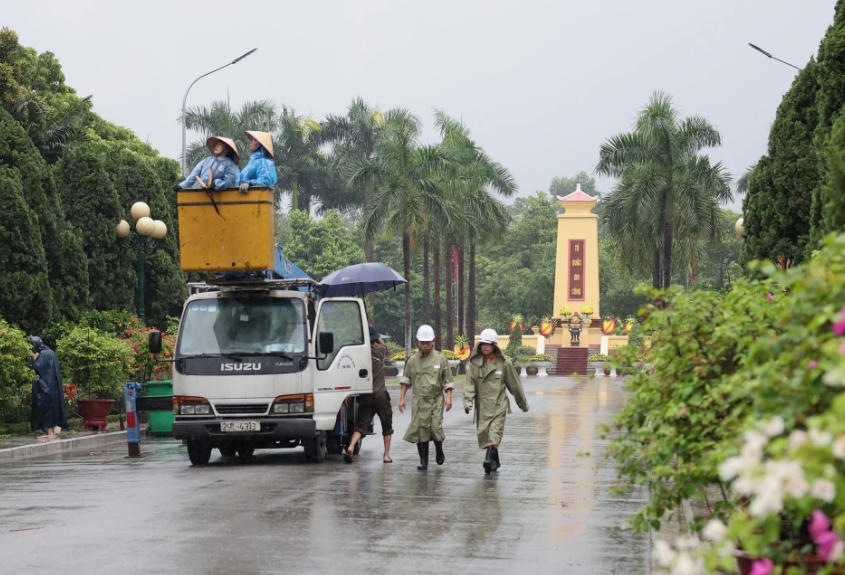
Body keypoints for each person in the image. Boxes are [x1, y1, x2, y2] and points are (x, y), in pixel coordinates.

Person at [463, 328, 529, 474]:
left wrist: (522, 404)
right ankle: (495, 461)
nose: (485, 346)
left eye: (488, 344)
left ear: (494, 345)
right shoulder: (474, 364)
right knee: (486, 434)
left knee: (494, 433)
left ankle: (488, 460)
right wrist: (468, 402)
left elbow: (515, 386)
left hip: (498, 405)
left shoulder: (505, 364)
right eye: (483, 344)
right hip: (482, 407)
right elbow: (469, 384)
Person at [398, 324, 453, 470]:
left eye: (428, 342)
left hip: (436, 399)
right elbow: (406, 380)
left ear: (433, 341)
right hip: (419, 400)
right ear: (418, 342)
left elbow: (448, 380)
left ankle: (439, 449)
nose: (425, 345)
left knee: (435, 427)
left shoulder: (440, 358)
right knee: (420, 430)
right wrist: (402, 399)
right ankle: (423, 461)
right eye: (422, 342)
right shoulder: (412, 360)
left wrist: (449, 397)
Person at [345, 326, 394, 463]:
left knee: (361, 425)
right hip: (381, 395)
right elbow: (385, 346)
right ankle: (386, 455)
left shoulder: (359, 354)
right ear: (375, 339)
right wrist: (378, 338)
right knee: (387, 426)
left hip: (365, 394)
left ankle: (351, 446)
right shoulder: (380, 350)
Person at [29, 336, 67, 440]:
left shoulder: (44, 354)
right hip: (53, 386)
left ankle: (50, 434)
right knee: (52, 409)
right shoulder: (50, 352)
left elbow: (38, 367)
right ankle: (51, 432)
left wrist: (33, 357)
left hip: (47, 386)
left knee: (47, 410)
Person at [175, 136, 240, 190]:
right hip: (197, 192)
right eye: (216, 144)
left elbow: (230, 181)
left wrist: (216, 183)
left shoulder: (230, 164)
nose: (216, 146)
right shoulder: (207, 160)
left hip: (216, 197)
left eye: (219, 145)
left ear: (227, 149)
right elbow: (194, 175)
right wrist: (181, 185)